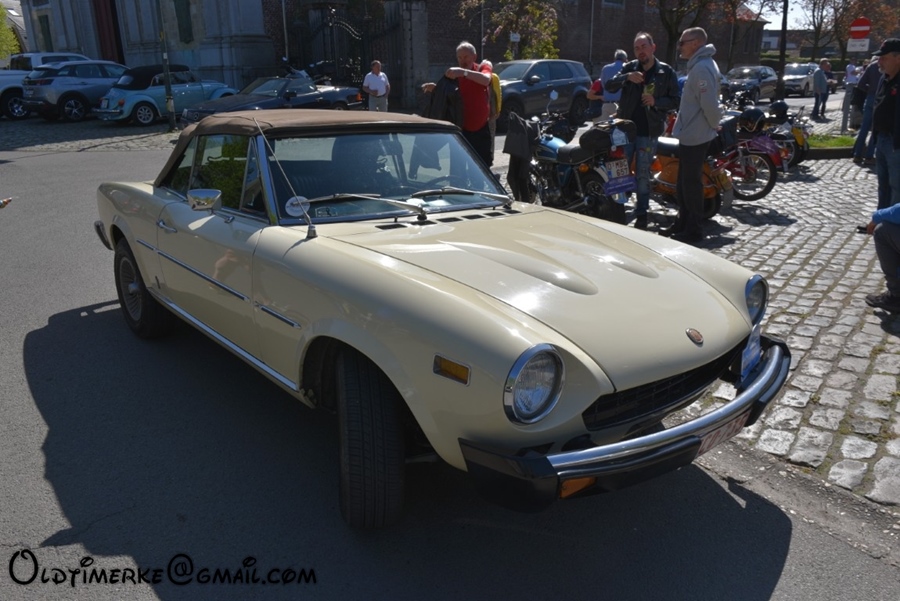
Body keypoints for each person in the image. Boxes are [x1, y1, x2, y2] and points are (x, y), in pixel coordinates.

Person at [604, 33, 680, 230]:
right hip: (625, 131)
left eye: (644, 46)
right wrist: (626, 77)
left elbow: (676, 100)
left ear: (653, 47)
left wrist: (656, 101)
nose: (640, 51)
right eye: (637, 48)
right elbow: (609, 85)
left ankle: (641, 214)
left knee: (643, 175)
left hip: (648, 131)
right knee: (619, 172)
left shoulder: (665, 71)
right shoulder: (629, 68)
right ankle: (617, 212)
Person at [668, 27, 722, 244]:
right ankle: (683, 223)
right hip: (692, 132)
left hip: (696, 134)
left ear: (696, 43)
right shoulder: (702, 65)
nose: (679, 46)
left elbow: (709, 104)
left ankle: (693, 230)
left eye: (682, 42)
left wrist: (714, 125)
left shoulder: (701, 69)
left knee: (690, 185)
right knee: (684, 183)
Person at [422, 41, 493, 167]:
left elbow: (486, 80)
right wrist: (436, 89)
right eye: (459, 58)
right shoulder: (455, 75)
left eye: (465, 57)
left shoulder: (482, 68)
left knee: (482, 168)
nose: (462, 61)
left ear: (474, 57)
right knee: (458, 168)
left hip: (480, 129)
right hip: (461, 130)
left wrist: (463, 73)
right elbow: (450, 95)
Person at [871, 38, 900, 211]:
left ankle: (894, 223)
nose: (879, 62)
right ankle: (882, 219)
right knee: (883, 185)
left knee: (897, 187)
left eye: (884, 58)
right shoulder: (885, 79)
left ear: (898, 58)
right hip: (881, 139)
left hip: (896, 143)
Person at [853, 58, 881, 165]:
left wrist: (869, 90)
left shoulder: (871, 66)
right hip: (880, 99)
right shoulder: (888, 66)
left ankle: (857, 154)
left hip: (870, 97)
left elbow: (860, 84)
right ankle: (869, 156)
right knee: (875, 128)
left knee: (864, 128)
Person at [600, 49, 628, 120]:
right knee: (621, 126)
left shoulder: (605, 68)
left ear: (615, 58)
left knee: (605, 126)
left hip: (607, 104)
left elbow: (603, 85)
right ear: (625, 59)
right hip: (621, 105)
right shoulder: (626, 68)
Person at [841, 60, 860, 133]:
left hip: (853, 82)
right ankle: (845, 107)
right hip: (850, 82)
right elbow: (853, 73)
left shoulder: (853, 66)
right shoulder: (850, 66)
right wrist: (858, 71)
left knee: (849, 96)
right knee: (848, 97)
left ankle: (846, 107)